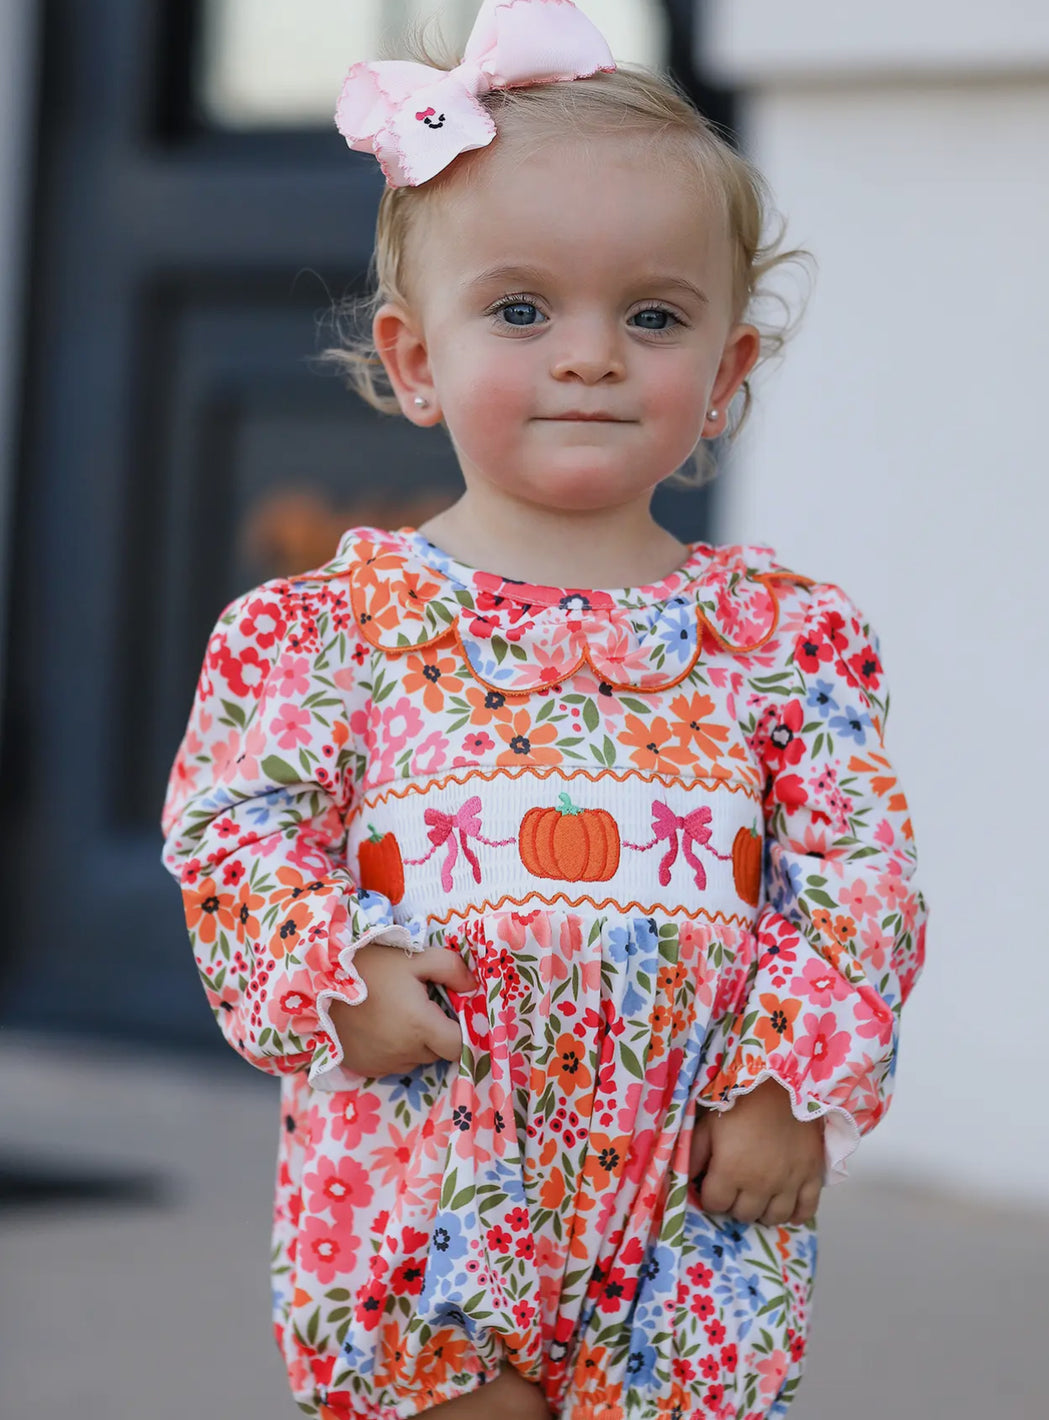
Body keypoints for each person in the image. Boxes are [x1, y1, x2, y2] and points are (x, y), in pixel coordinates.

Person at [162, 3, 927, 1417]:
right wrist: (339, 975)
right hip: (432, 1156)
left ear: (726, 379)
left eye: (653, 316)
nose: (589, 355)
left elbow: (855, 871)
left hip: (692, 1181)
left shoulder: (781, 642)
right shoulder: (331, 631)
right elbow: (237, 833)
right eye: (521, 311)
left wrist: (788, 1075)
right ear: (412, 359)